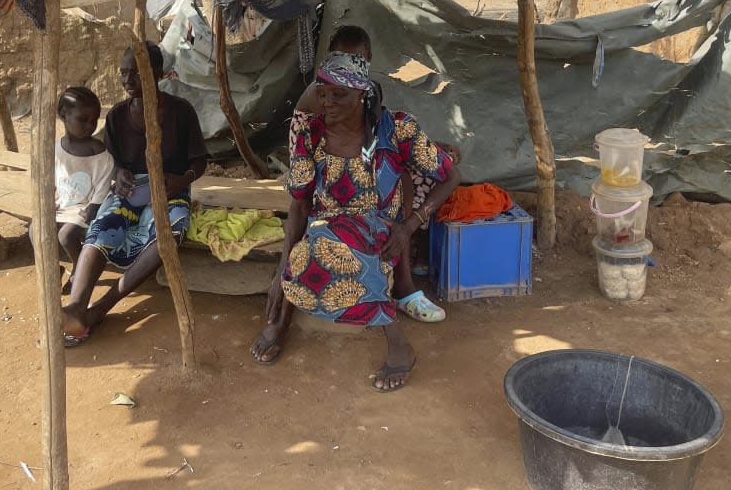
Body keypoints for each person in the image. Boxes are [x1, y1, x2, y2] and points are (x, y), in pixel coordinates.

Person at [251, 50, 460, 391]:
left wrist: (409, 226)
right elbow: (300, 205)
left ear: (362, 95)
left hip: (382, 228)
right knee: (312, 253)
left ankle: (399, 346)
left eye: (338, 95)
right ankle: (284, 318)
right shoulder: (309, 134)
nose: (326, 103)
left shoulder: (396, 129)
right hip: (326, 228)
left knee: (342, 254)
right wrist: (281, 269)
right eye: (321, 93)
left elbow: (450, 175)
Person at [295, 24, 457, 324]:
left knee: (399, 178)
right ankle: (394, 289)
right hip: (331, 215)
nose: (350, 65)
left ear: (367, 61)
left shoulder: (385, 117)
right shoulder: (313, 123)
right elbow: (301, 191)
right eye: (341, 58)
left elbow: (444, 172)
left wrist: (408, 225)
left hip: (378, 214)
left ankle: (404, 286)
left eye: (357, 60)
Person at [62, 43, 208, 346]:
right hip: (130, 191)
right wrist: (119, 174)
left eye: (136, 73)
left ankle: (101, 308)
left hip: (171, 188)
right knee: (103, 228)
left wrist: (181, 181)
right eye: (123, 73)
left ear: (156, 74)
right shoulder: (117, 116)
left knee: (171, 231)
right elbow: (112, 161)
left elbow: (200, 162)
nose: (127, 80)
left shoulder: (181, 111)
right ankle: (77, 305)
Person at [53, 87, 114, 293]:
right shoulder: (55, 149)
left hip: (85, 207)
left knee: (66, 237)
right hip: (62, 204)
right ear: (64, 115)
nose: (90, 126)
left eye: (94, 120)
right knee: (37, 231)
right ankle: (53, 270)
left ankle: (80, 272)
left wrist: (94, 205)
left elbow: (104, 183)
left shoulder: (99, 153)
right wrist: (50, 201)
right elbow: (52, 179)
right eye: (83, 119)